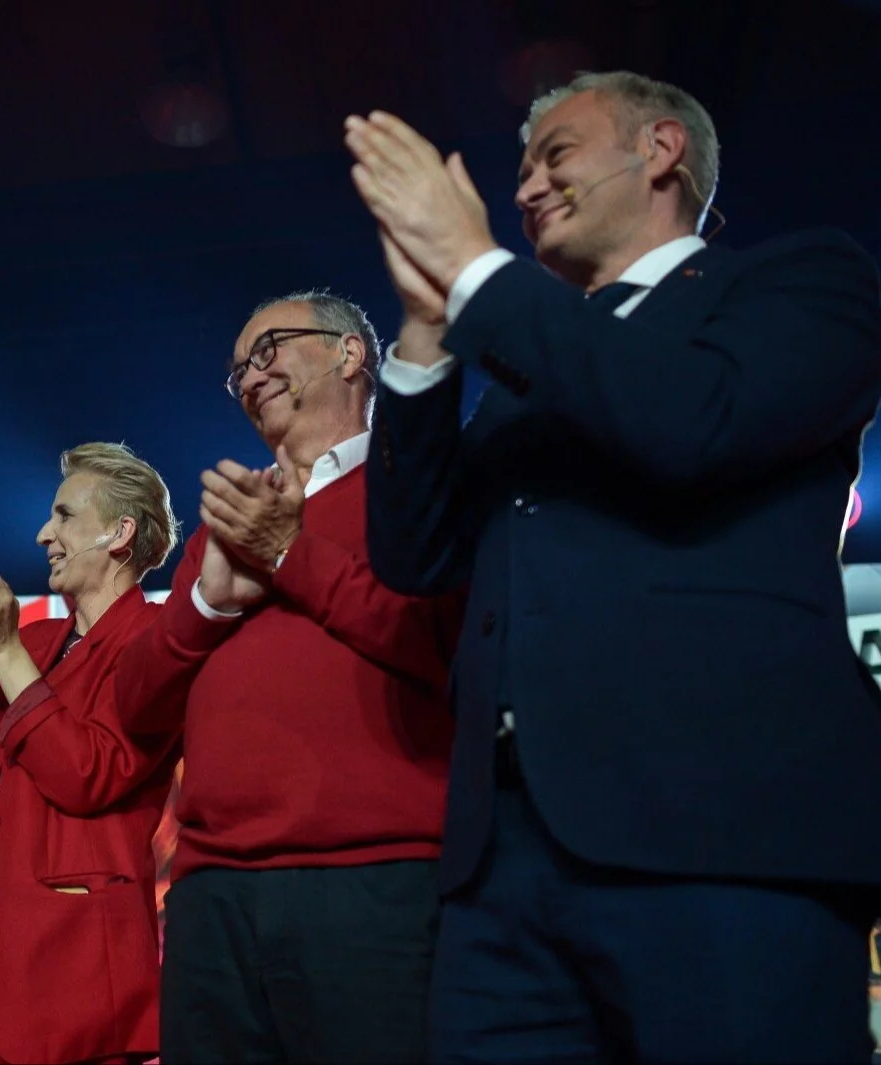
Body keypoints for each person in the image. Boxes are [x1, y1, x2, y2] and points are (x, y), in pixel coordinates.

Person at [346, 69, 881, 1062]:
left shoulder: (797, 281)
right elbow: (415, 554)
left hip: (723, 840)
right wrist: (427, 331)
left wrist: (476, 269)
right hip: (502, 864)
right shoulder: (535, 367)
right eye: (517, 172)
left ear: (661, 150)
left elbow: (690, 426)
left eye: (556, 155)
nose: (524, 190)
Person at [113, 293, 465, 1064]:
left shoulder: (420, 484)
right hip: (211, 897)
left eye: (268, 347)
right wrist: (206, 601)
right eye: (237, 365)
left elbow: (440, 643)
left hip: (375, 881)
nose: (249, 374)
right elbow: (133, 702)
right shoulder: (223, 524)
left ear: (349, 354)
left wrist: (286, 554)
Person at [0, 442, 181, 1065]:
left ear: (119, 534)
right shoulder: (36, 639)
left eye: (65, 516)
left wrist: (4, 652)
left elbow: (88, 776)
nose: (45, 533)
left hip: (58, 948)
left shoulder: (154, 641)